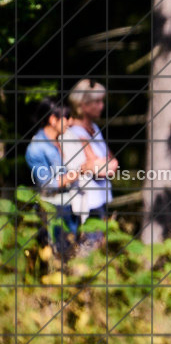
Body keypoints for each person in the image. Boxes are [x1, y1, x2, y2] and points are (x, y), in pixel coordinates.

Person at [62, 79, 119, 250]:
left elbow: (112, 161)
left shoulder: (93, 128)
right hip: (87, 204)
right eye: (97, 101)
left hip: (100, 201)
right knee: (87, 250)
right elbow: (101, 169)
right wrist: (103, 165)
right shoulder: (75, 132)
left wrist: (104, 165)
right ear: (83, 104)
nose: (101, 106)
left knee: (98, 250)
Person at [25, 99, 80, 252]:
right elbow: (47, 183)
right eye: (65, 117)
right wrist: (79, 172)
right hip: (51, 208)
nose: (69, 122)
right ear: (53, 119)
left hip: (69, 205)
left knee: (71, 253)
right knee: (57, 256)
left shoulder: (60, 141)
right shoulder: (36, 148)